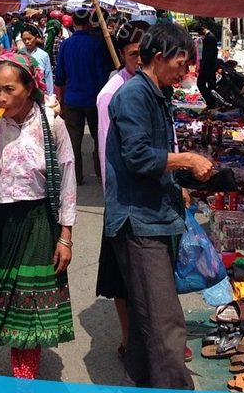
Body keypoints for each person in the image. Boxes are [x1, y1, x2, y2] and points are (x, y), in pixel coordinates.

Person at [0, 51, 76, 379]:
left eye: (10, 89)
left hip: (37, 222)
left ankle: (25, 376)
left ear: (30, 87)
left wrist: (65, 236)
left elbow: (66, 179)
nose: (1, 97)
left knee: (28, 303)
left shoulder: (53, 125)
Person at [104, 23, 213, 389]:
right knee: (165, 320)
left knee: (149, 315)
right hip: (139, 220)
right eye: (181, 64)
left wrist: (179, 181)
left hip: (155, 214)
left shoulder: (156, 93)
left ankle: (144, 380)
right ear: (159, 57)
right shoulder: (134, 95)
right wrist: (185, 160)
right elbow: (137, 156)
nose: (184, 72)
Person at [95, 20, 149, 361]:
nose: (141, 60)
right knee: (124, 278)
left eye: (147, 53)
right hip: (125, 200)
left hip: (153, 199)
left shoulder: (154, 85)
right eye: (134, 54)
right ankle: (131, 340)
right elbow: (105, 153)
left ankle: (155, 337)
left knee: (152, 276)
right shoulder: (111, 93)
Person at [54, 9, 114, 185]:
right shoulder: (96, 44)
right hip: (94, 99)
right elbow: (102, 74)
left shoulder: (66, 45)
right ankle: (100, 171)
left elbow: (60, 76)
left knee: (73, 140)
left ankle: (76, 176)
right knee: (100, 137)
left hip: (72, 99)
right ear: (89, 23)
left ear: (73, 23)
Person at [21, 23, 54, 96]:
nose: (27, 42)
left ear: (36, 37)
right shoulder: (19, 54)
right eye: (24, 39)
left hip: (40, 93)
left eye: (29, 39)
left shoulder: (44, 55)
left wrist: (50, 96)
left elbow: (48, 76)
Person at [196, 21, 218, 109]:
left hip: (209, 67)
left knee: (201, 83)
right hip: (209, 66)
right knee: (210, 85)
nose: (199, 34)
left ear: (202, 29)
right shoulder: (208, 37)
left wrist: (203, 66)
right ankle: (212, 103)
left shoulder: (210, 38)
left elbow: (209, 55)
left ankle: (212, 102)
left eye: (199, 32)